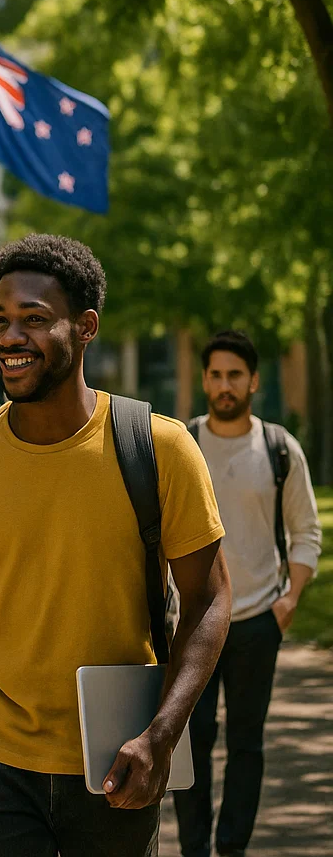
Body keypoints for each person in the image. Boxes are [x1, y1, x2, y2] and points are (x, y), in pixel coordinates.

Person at [0, 234, 231, 857]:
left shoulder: (158, 448)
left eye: (34, 319)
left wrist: (159, 736)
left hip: (117, 754)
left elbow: (211, 601)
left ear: (85, 328)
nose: (8, 337)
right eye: (1, 319)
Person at [174, 330, 322, 857]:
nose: (224, 385)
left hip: (259, 620)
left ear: (254, 381)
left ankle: (230, 848)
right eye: (215, 374)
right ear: (206, 380)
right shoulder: (183, 444)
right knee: (189, 742)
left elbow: (306, 531)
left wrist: (288, 602)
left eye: (235, 374)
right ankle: (195, 849)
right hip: (191, 623)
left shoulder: (280, 448)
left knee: (246, 746)